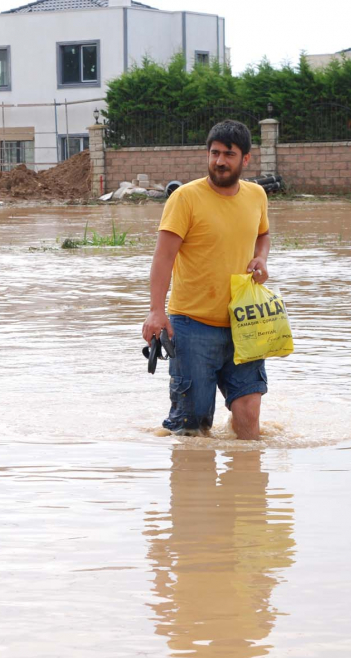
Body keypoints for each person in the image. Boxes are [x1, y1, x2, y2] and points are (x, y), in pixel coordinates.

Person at [141, 120, 271, 440]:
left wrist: (261, 258)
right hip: (192, 326)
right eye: (214, 153)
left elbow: (263, 233)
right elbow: (163, 258)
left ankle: (243, 485)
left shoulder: (256, 195)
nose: (220, 161)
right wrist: (156, 311)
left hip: (244, 323)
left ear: (246, 159)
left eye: (229, 154)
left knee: (249, 416)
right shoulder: (185, 198)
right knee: (193, 427)